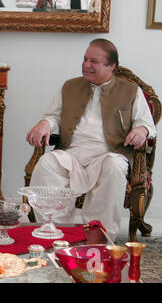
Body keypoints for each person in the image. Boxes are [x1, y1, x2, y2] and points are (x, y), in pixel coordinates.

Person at [25, 39, 157, 240]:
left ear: (111, 66)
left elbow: (147, 125)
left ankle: (99, 237)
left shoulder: (131, 91)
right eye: (85, 59)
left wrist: (141, 130)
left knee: (114, 166)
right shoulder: (69, 87)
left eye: (94, 61)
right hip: (72, 155)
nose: (86, 65)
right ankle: (56, 233)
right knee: (47, 163)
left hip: (109, 155)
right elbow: (53, 117)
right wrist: (45, 124)